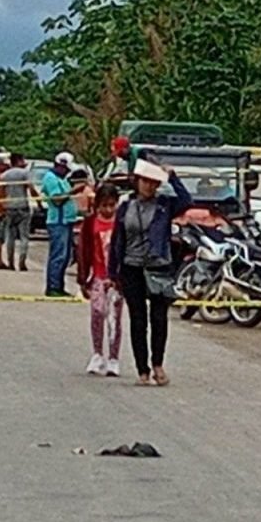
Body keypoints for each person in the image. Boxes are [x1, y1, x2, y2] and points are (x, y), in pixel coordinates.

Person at [109, 161, 194, 387]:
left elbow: (187, 201)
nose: (148, 186)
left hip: (158, 266)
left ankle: (158, 364)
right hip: (131, 267)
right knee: (138, 320)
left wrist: (172, 176)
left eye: (153, 182)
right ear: (136, 182)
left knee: (159, 318)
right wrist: (112, 272)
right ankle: (142, 370)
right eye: (145, 181)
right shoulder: (125, 207)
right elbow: (118, 240)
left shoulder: (165, 205)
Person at [77, 185, 124, 377]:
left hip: (116, 279)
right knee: (97, 315)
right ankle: (97, 354)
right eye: (104, 205)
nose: (108, 210)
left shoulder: (121, 223)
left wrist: (120, 277)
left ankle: (113, 359)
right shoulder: (90, 224)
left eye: (112, 205)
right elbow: (82, 251)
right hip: (96, 275)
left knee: (114, 318)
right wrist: (82, 278)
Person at [41, 152, 82, 297]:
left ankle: (59, 285)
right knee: (58, 255)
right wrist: (74, 191)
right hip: (58, 221)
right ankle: (53, 286)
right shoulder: (50, 179)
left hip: (66, 220)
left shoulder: (62, 179)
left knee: (65, 256)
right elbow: (57, 200)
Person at [0, 153, 36, 271]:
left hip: (9, 207)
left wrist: (2, 207)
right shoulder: (24, 173)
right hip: (22, 206)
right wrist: (38, 200)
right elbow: (30, 188)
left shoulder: (4, 175)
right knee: (24, 236)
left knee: (10, 237)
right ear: (19, 160)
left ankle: (10, 262)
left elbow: (1, 192)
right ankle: (22, 261)